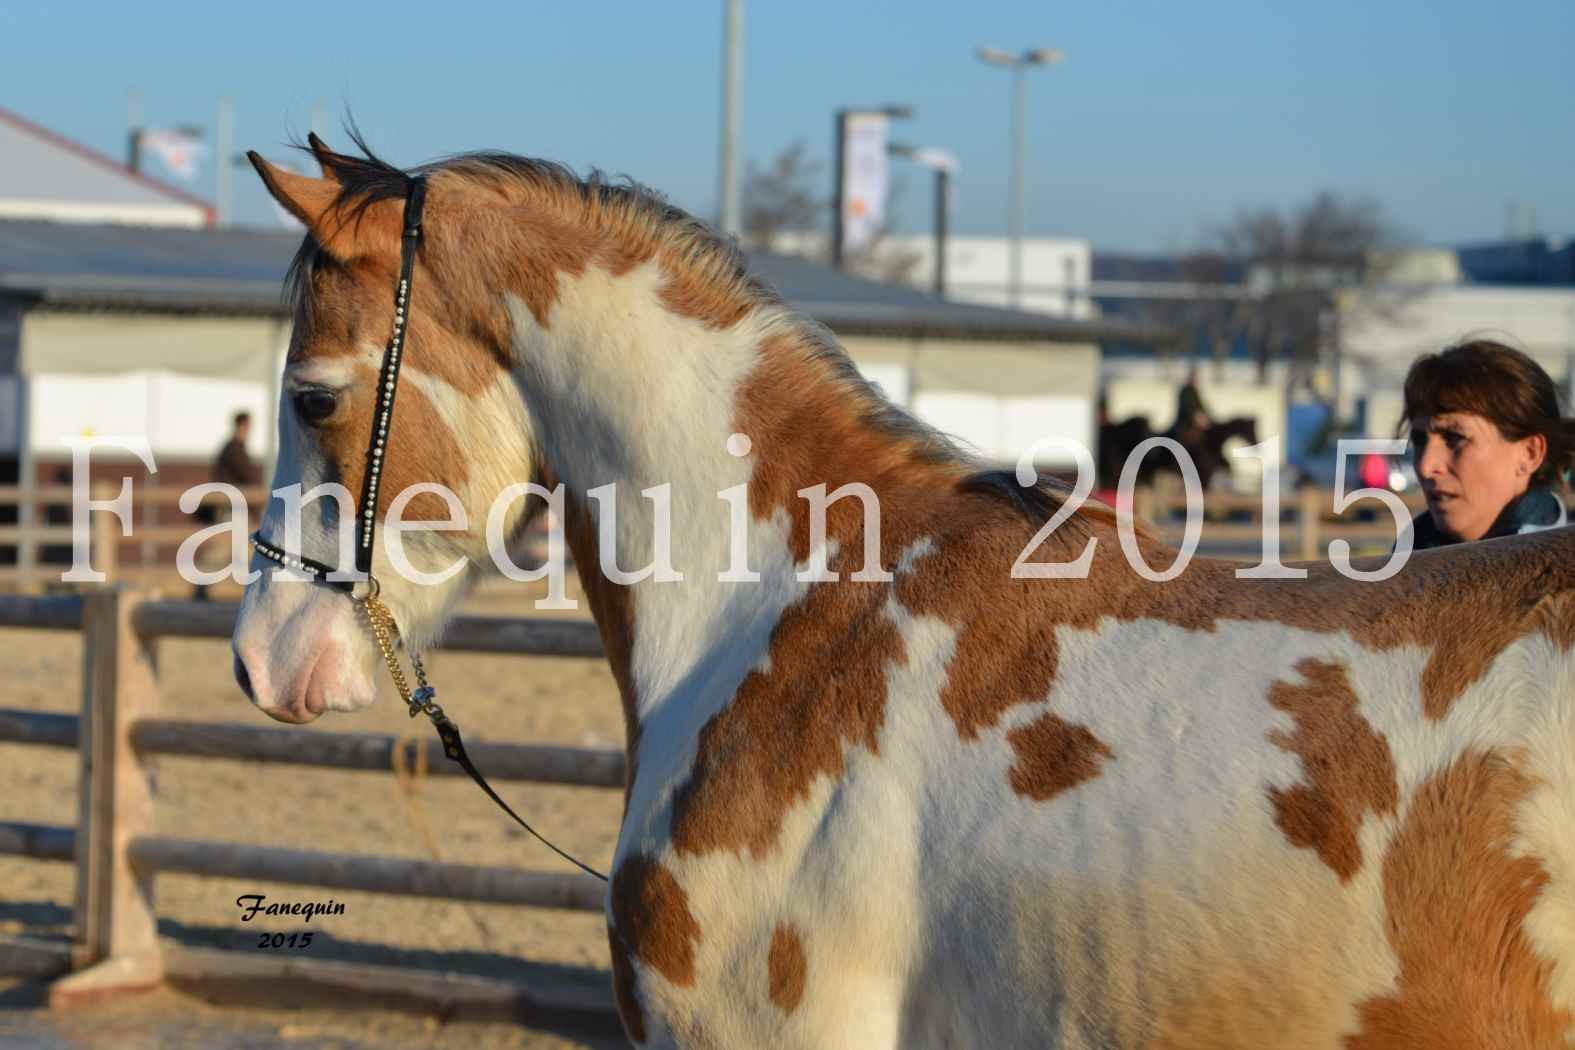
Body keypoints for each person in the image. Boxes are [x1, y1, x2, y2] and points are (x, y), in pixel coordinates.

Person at [1400, 339, 1572, 550]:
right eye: (1419, 440)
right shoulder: (1405, 557)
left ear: (1529, 453)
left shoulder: (1560, 575)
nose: (1426, 466)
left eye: (1454, 438)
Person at [193, 411, 261, 599]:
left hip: (234, 507)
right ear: (243, 425)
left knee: (242, 549)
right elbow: (247, 478)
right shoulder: (234, 449)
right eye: (248, 426)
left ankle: (252, 592)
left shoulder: (233, 448)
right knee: (224, 549)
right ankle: (201, 586)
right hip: (232, 508)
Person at [1174, 366, 1213, 448]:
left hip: (1196, 424)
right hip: (1185, 424)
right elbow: (1187, 409)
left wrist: (1206, 417)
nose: (1196, 379)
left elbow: (1202, 408)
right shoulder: (1185, 391)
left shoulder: (1195, 391)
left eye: (1197, 377)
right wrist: (1196, 418)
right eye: (1194, 377)